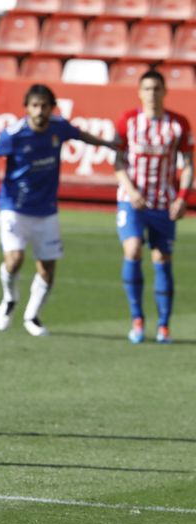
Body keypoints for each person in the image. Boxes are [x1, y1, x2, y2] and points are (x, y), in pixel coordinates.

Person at [0, 83, 115, 337]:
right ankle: (9, 299)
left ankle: (32, 316)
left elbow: (80, 135)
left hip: (46, 210)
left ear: (52, 108)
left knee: (47, 268)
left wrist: (107, 144)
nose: (39, 111)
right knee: (14, 260)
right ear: (26, 108)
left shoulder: (59, 127)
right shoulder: (13, 134)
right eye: (35, 106)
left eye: (44, 106)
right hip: (14, 207)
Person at [113, 70, 193, 345]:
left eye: (157, 88)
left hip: (163, 201)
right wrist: (131, 190)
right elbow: (118, 162)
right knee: (133, 248)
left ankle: (163, 325)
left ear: (165, 91)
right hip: (132, 199)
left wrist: (183, 197)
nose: (152, 93)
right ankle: (137, 319)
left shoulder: (179, 124)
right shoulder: (127, 121)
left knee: (161, 258)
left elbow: (187, 165)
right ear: (139, 92)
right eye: (147, 88)